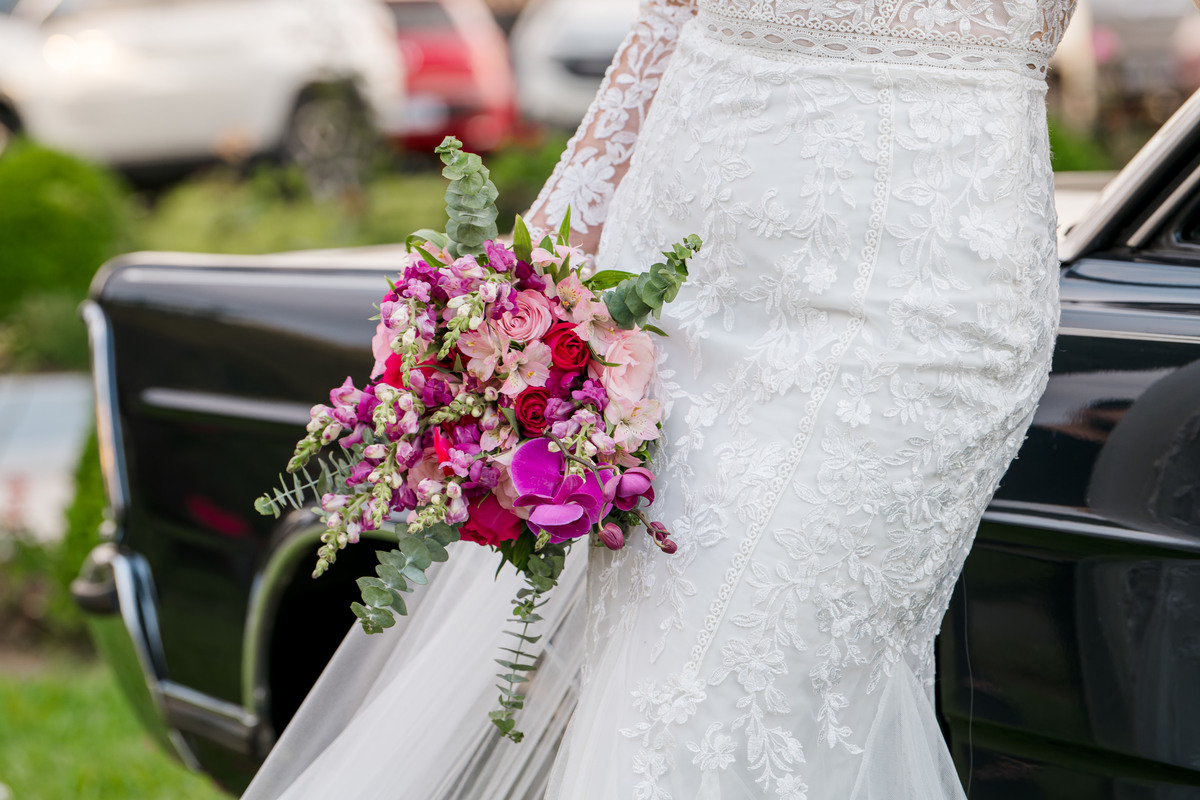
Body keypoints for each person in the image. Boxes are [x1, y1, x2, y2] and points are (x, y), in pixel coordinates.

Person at [243, 1, 1075, 797]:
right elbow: (671, 15)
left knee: (722, 692)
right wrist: (527, 283)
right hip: (677, 266)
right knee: (648, 683)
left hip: (922, 274)